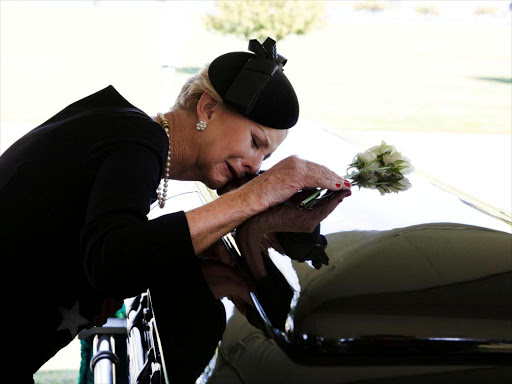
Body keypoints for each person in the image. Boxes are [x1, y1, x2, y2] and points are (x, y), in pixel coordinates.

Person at [0, 37, 350, 382]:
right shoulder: (137, 141)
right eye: (255, 142)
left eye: (266, 158)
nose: (254, 166)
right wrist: (256, 195)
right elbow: (114, 263)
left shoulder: (124, 132)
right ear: (208, 108)